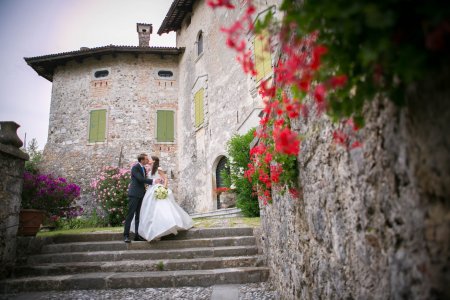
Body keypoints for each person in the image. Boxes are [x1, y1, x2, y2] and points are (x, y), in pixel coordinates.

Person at [131, 156, 193, 241]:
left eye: (150, 159)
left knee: (160, 208)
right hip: (150, 190)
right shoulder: (149, 170)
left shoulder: (158, 168)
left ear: (154, 161)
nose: (148, 160)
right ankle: (153, 229)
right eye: (147, 159)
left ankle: (165, 226)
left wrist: (164, 187)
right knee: (149, 210)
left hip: (157, 189)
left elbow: (165, 178)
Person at [123, 153, 156, 243]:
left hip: (141, 194)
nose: (147, 160)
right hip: (134, 194)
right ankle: (126, 235)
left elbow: (143, 181)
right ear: (141, 160)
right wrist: (153, 181)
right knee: (130, 215)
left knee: (138, 216)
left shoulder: (143, 168)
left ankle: (137, 235)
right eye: (146, 159)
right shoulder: (135, 167)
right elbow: (140, 179)